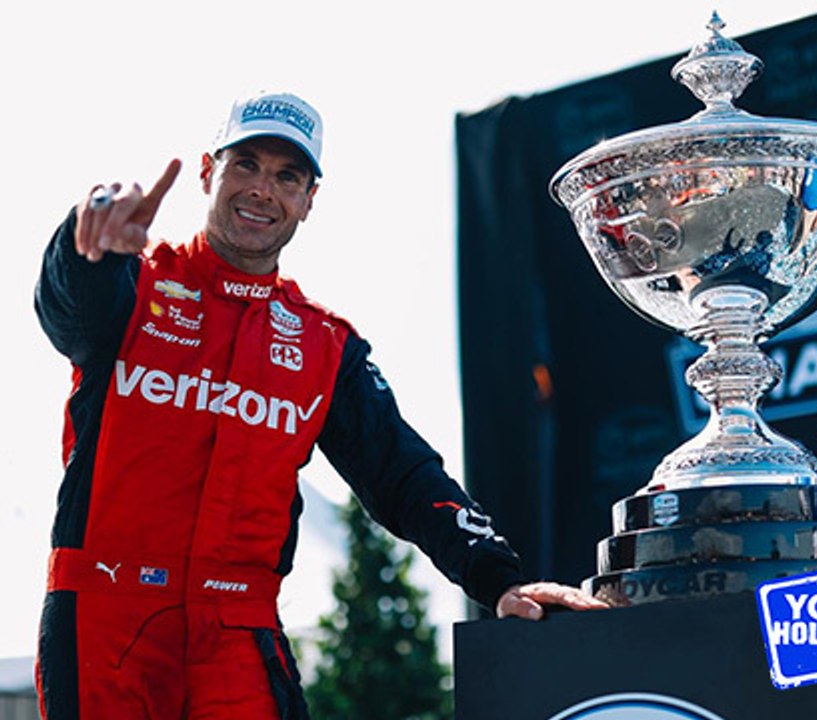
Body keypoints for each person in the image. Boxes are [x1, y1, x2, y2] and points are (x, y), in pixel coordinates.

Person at [34, 91, 605, 720]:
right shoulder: (133, 285)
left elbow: (405, 476)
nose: (262, 189)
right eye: (245, 164)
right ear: (207, 172)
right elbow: (69, 309)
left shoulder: (323, 344)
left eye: (287, 176)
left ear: (308, 201)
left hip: (236, 631)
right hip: (107, 621)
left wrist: (498, 578)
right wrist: (83, 249)